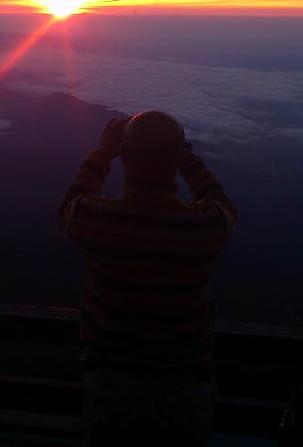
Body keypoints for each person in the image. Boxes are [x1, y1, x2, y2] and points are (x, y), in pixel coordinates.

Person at [58, 111, 238, 446]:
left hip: (110, 387)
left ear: (124, 156)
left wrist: (102, 153)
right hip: (184, 389)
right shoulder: (202, 229)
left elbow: (71, 201)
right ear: (176, 160)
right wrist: (188, 161)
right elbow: (222, 203)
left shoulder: (96, 220)